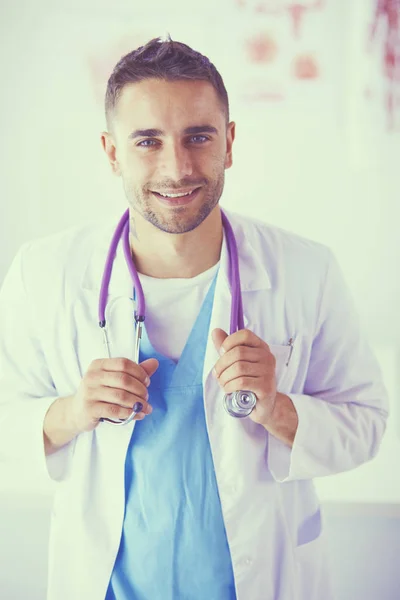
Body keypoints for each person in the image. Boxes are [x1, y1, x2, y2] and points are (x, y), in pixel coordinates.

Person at [0, 36, 389, 600]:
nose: (176, 168)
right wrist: (71, 412)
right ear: (112, 152)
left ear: (229, 143)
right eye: (148, 141)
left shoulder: (306, 270)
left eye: (198, 137)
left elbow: (367, 424)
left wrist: (277, 408)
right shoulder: (44, 273)